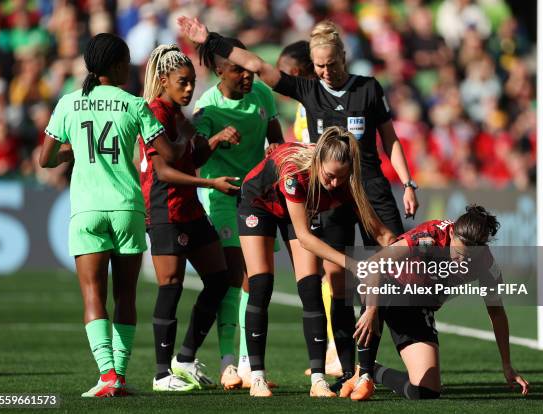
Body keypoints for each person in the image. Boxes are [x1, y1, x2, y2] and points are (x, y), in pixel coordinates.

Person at [178, 15, 417, 390]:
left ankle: (374, 367)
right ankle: (346, 372)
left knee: (389, 268)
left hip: (369, 189)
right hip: (326, 192)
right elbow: (256, 64)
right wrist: (210, 39)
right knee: (334, 281)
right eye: (318, 65)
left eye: (330, 64)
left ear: (343, 57)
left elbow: (390, 138)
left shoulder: (369, 89)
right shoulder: (308, 90)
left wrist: (407, 181)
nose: (324, 71)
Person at [39, 33, 180, 397]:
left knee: (92, 295)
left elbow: (45, 159)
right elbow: (168, 152)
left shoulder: (69, 103)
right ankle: (118, 374)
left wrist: (75, 151)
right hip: (127, 207)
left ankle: (107, 375)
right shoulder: (134, 104)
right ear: (117, 66)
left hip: (86, 209)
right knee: (127, 296)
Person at [237, 126, 396, 397]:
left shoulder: (347, 183)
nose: (334, 184)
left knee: (310, 288)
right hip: (258, 203)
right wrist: (355, 265)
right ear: (318, 161)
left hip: (295, 211)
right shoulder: (294, 173)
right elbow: (306, 238)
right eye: (330, 176)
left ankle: (318, 380)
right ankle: (257, 378)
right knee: (261, 284)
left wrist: (406, 252)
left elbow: (381, 232)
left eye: (341, 178)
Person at [341, 205, 530, 400]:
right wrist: (372, 309)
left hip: (417, 305)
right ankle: (364, 374)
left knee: (428, 391)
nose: (461, 262)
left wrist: (507, 365)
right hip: (388, 286)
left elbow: (497, 313)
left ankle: (373, 370)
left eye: (469, 257)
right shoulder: (429, 236)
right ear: (451, 233)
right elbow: (374, 265)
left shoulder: (486, 263)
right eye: (458, 253)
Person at [140, 44, 243, 392]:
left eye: (192, 82)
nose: (189, 89)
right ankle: (160, 374)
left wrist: (215, 139)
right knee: (170, 286)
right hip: (165, 209)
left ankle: (184, 359)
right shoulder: (153, 112)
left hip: (189, 208)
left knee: (219, 278)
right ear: (163, 81)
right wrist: (210, 183)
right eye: (182, 82)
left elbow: (193, 154)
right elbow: (165, 172)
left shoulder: (179, 116)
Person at [190, 35, 285, 389]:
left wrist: (275, 149)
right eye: (238, 71)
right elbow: (195, 154)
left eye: (249, 69)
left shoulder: (262, 95)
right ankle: (227, 362)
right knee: (232, 275)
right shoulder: (208, 105)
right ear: (219, 70)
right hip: (224, 197)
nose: (247, 77)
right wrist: (214, 140)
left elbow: (275, 140)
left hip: (259, 198)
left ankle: (246, 364)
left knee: (254, 280)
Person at [276, 40, 341, 378]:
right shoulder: (304, 107)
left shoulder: (320, 103)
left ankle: (336, 348)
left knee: (331, 271)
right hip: (310, 195)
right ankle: (330, 347)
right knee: (317, 274)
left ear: (298, 72)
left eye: (284, 73)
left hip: (328, 195)